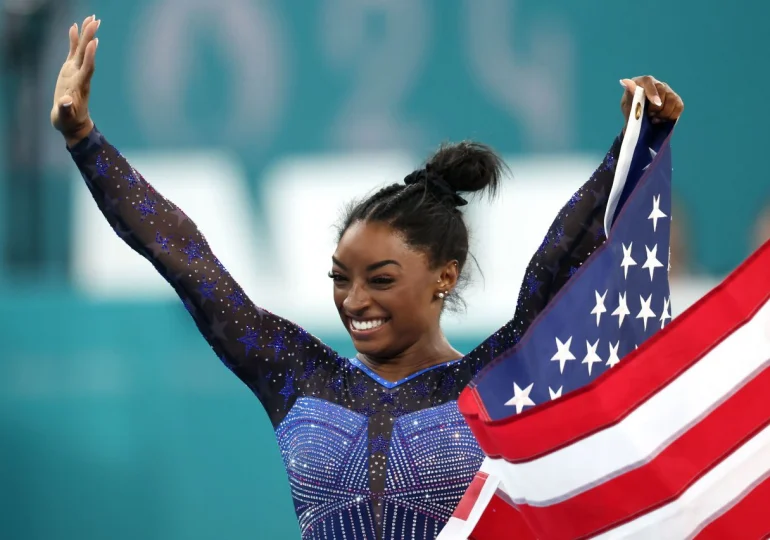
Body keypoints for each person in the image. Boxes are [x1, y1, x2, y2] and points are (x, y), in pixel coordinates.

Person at [51, 16, 684, 540]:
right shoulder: (297, 374)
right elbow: (186, 260)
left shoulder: (492, 380)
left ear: (444, 277)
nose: (355, 301)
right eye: (341, 278)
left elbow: (558, 267)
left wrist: (633, 148)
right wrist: (85, 139)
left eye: (380, 279)